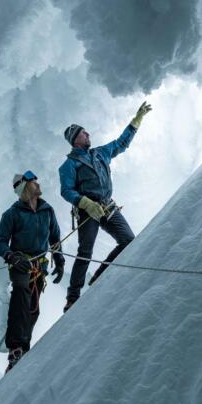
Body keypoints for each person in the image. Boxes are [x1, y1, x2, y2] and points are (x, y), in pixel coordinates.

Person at [59, 101, 152, 311]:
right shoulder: (69, 165)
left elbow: (121, 143)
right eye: (83, 133)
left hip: (108, 206)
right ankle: (72, 298)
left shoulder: (100, 153)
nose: (88, 134)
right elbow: (66, 190)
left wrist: (136, 121)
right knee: (85, 252)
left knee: (128, 240)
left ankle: (99, 277)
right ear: (75, 140)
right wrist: (85, 203)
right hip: (87, 211)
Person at [0, 171, 65, 371]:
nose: (37, 184)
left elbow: (55, 238)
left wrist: (59, 260)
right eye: (34, 183)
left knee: (33, 309)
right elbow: (1, 241)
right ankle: (15, 348)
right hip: (20, 264)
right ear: (25, 188)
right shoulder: (12, 214)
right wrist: (11, 256)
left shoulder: (47, 210)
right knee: (21, 295)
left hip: (39, 266)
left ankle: (24, 348)